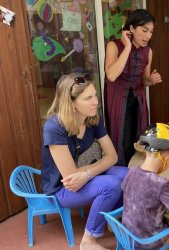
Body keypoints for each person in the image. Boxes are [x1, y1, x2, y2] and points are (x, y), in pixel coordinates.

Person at [41, 73, 129, 250]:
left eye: (94, 95)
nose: (95, 101)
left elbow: (112, 157)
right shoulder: (54, 127)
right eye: (88, 98)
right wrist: (90, 170)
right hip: (62, 189)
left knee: (127, 174)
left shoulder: (93, 118)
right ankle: (88, 241)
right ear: (71, 103)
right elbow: (71, 178)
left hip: (83, 175)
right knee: (111, 184)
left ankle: (115, 222)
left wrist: (88, 172)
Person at [105, 9, 162, 166]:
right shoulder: (114, 46)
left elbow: (144, 80)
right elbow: (111, 75)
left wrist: (152, 80)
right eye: (144, 30)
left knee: (138, 137)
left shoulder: (148, 52)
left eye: (150, 32)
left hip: (138, 100)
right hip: (118, 100)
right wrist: (128, 46)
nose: (148, 36)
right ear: (131, 28)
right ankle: (121, 173)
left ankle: (137, 172)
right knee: (120, 138)